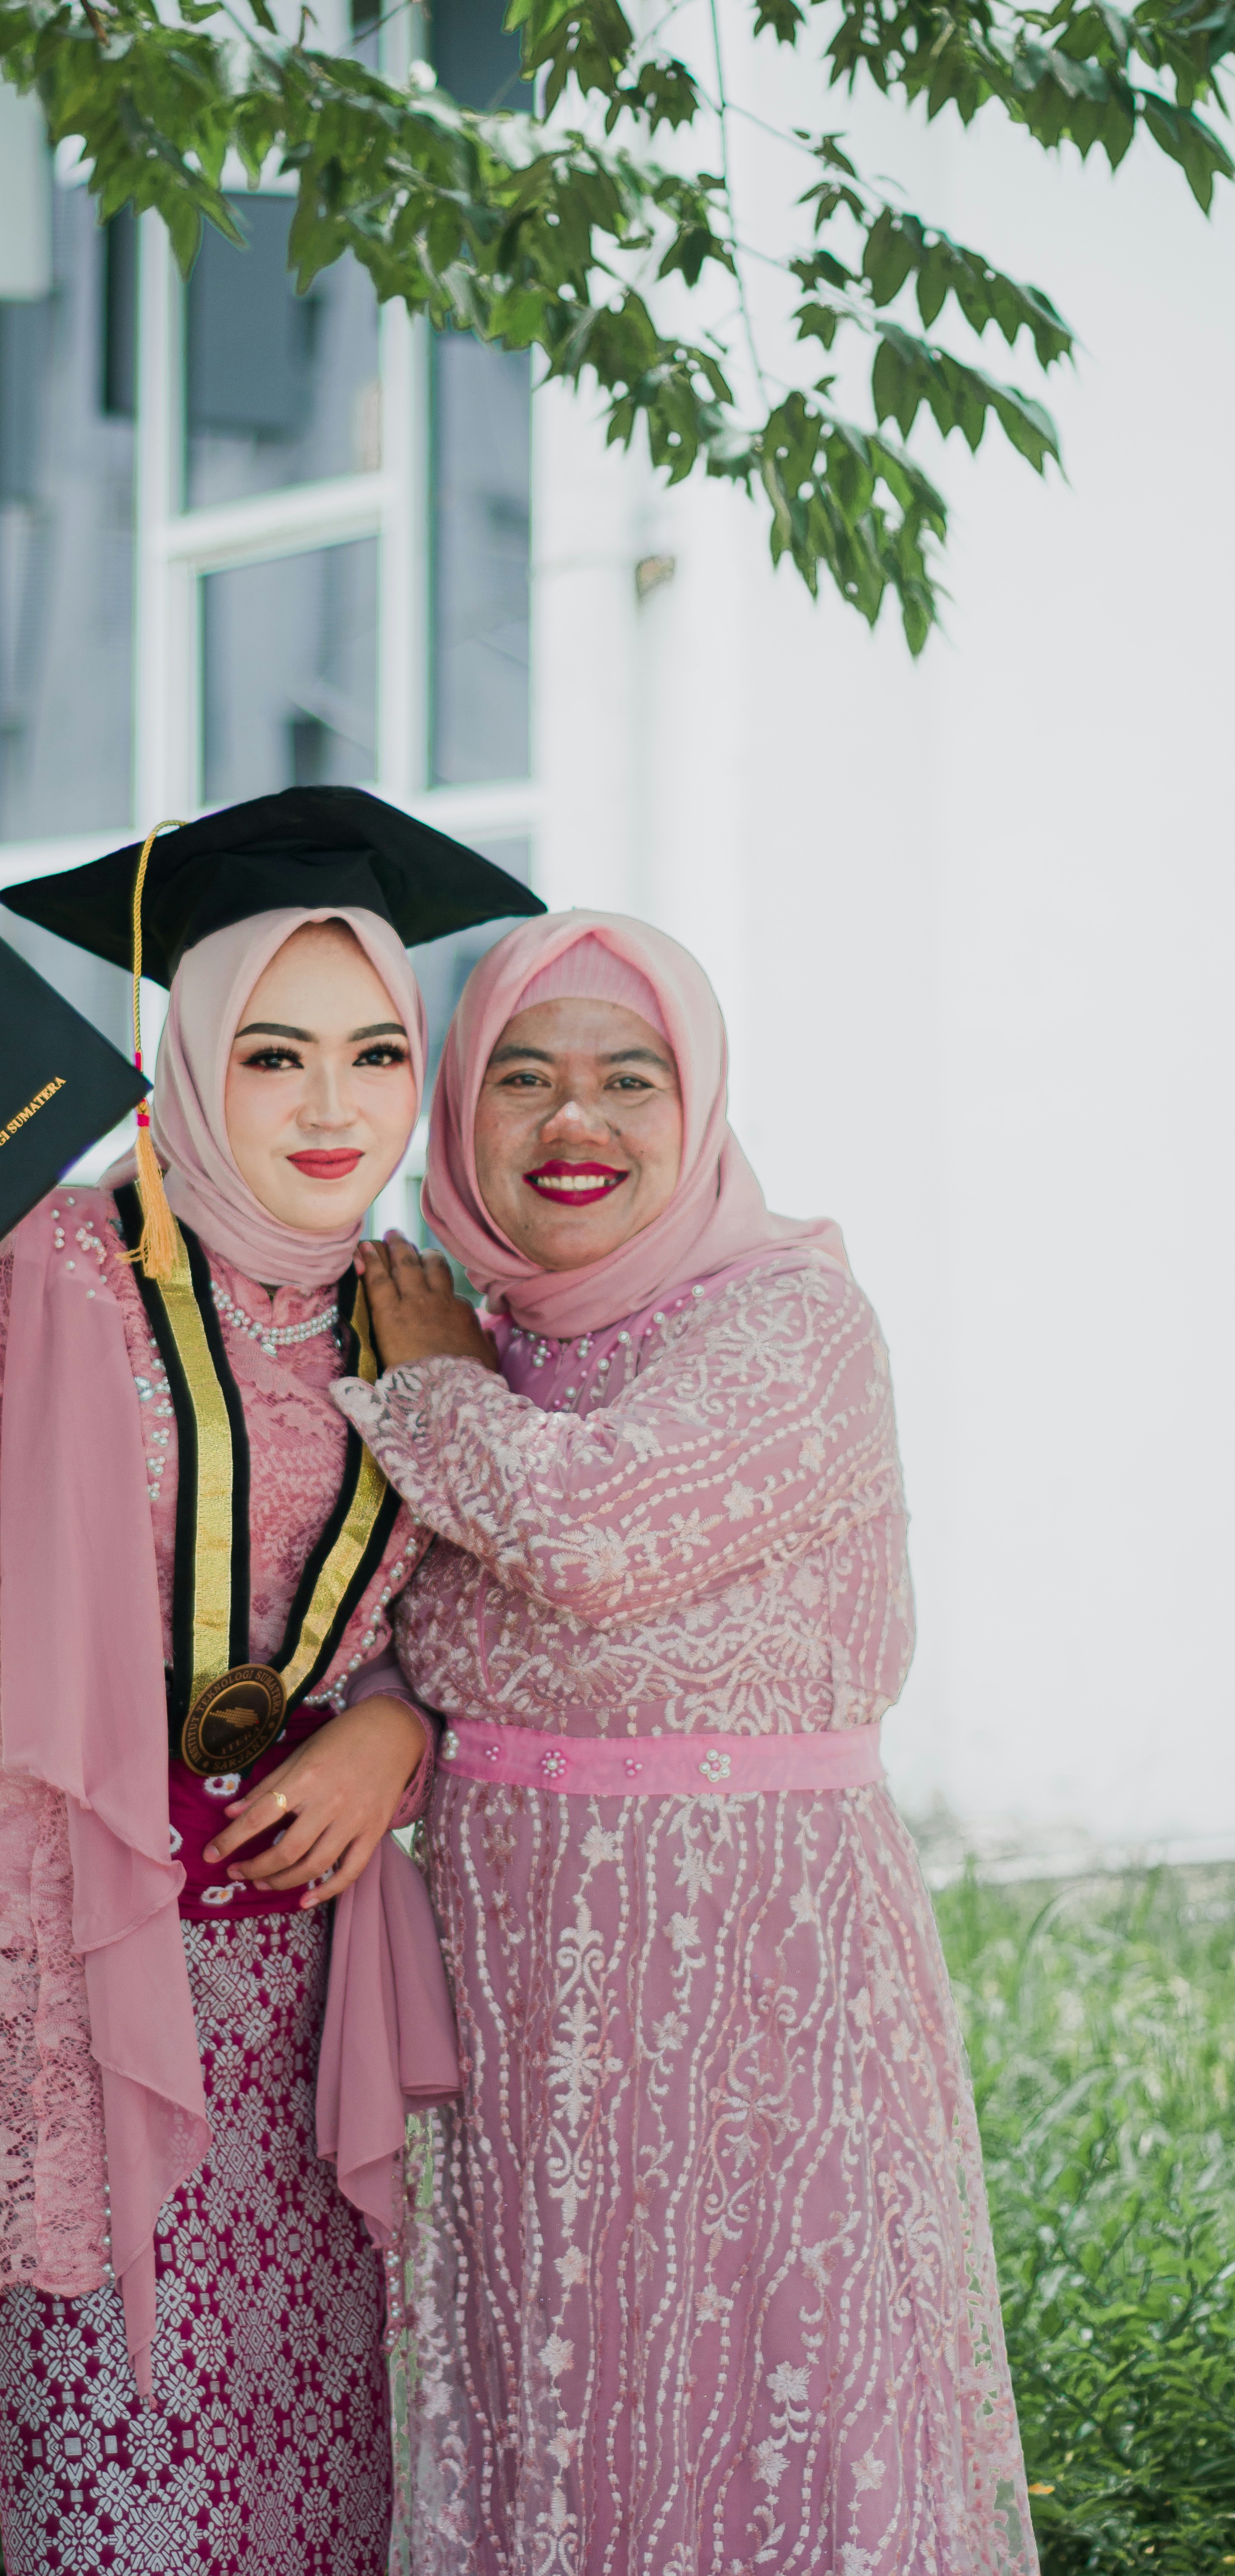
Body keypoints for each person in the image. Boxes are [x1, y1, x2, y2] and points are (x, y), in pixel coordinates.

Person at [0, 790, 536, 2576]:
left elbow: (472, 1635)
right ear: (187, 1058)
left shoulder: (418, 1311)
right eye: (272, 1053)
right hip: (69, 1972)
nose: (328, 1106)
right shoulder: (56, 1270)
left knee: (325, 2516)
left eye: (374, 1053)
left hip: (319, 1992)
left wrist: (397, 1733)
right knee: (117, 2509)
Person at [342, 912, 1037, 2576]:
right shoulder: (489, 1340)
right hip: (522, 2009)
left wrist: (435, 1389)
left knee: (767, 2409)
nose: (573, 1124)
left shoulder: (792, 1324)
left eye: (625, 1080)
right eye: (524, 1078)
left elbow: (584, 1534)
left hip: (760, 2004)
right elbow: (384, 1638)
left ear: (699, 1105)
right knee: (557, 2410)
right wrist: (380, 1717)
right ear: (462, 1115)